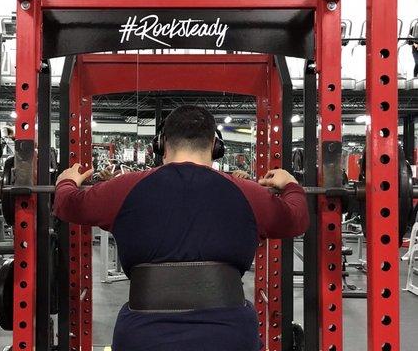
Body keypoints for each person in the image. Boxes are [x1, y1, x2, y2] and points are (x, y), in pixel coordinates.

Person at [53, 105, 309, 351]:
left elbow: (66, 205)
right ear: (214, 146)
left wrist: (66, 182)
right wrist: (291, 185)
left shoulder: (124, 188)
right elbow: (297, 219)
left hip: (144, 336)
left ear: (162, 144)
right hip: (229, 335)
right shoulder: (249, 193)